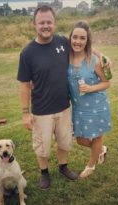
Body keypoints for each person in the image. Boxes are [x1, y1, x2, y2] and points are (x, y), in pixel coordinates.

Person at [17, 5, 79, 189]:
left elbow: (83, 48)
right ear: (34, 24)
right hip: (41, 110)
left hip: (64, 106)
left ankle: (63, 167)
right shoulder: (27, 53)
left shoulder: (63, 43)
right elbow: (24, 85)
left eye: (49, 22)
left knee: (64, 141)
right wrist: (25, 113)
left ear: (54, 23)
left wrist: (103, 56)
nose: (45, 25)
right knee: (42, 146)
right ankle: (44, 173)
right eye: (41, 22)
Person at [67, 21, 111, 178]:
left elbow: (107, 82)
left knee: (97, 136)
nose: (78, 41)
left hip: (96, 106)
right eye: (75, 37)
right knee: (80, 139)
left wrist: (90, 88)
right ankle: (101, 149)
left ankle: (91, 166)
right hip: (78, 107)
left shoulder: (94, 61)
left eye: (82, 38)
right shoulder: (66, 57)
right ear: (70, 38)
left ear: (87, 41)